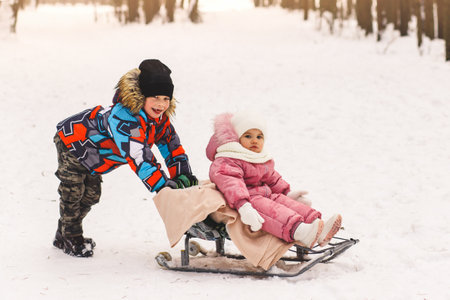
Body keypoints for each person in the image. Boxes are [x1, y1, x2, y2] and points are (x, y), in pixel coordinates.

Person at [53, 59, 198, 257]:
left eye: (166, 98)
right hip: (73, 143)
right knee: (73, 193)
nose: (161, 104)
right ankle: (71, 236)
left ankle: (64, 232)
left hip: (96, 158)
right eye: (155, 97)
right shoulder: (123, 118)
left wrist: (184, 177)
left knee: (91, 196)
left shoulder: (159, 120)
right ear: (142, 96)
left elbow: (172, 147)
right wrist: (162, 187)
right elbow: (138, 156)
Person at [206, 112, 341, 248]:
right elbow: (231, 183)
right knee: (273, 211)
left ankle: (318, 227)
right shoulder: (227, 159)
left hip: (265, 194)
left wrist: (288, 193)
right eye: (248, 136)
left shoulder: (257, 158)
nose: (254, 140)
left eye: (259, 137)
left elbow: (272, 178)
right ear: (237, 138)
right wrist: (244, 206)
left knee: (284, 202)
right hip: (247, 201)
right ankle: (301, 232)